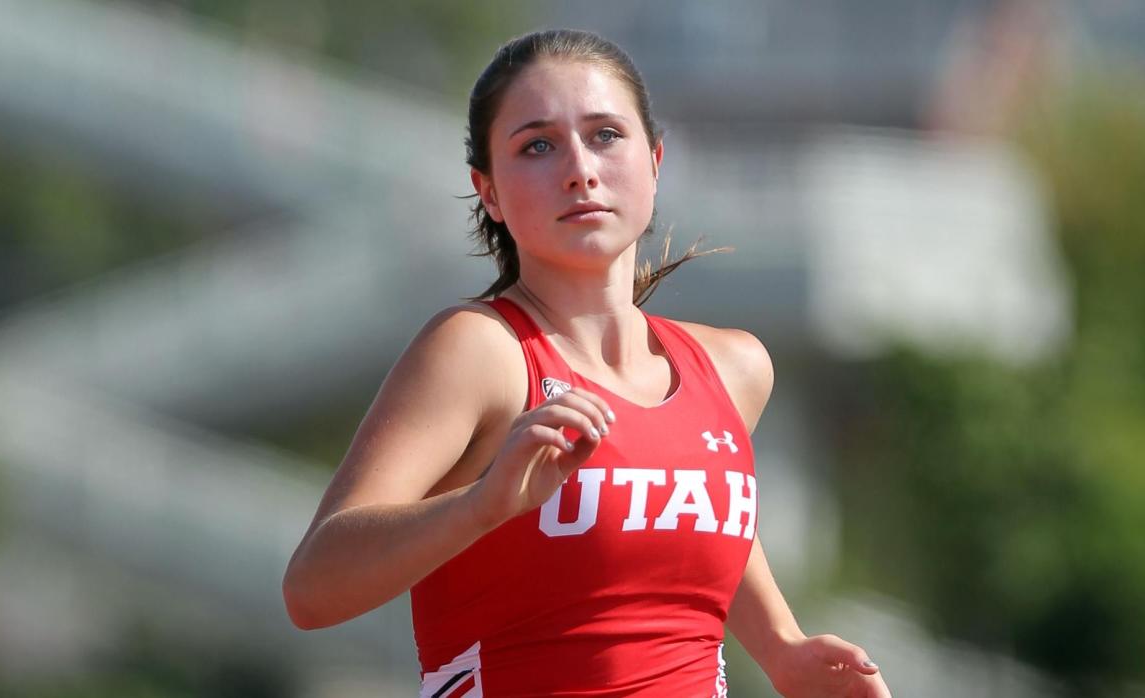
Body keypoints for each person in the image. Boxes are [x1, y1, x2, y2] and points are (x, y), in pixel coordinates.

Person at [283, 29, 891, 698]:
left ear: (655, 161)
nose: (579, 168)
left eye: (605, 134)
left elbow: (683, 511)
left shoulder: (734, 366)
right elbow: (313, 590)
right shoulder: (481, 352)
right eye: (537, 145)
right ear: (488, 191)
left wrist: (781, 647)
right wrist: (481, 506)